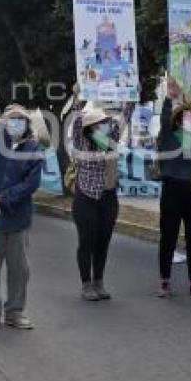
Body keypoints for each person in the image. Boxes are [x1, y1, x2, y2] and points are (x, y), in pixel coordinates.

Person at [68, 83, 133, 301]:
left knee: (103, 241)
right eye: (99, 124)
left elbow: (126, 115)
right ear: (90, 128)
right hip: (86, 197)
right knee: (87, 240)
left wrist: (132, 90)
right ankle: (86, 284)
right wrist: (77, 95)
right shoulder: (81, 140)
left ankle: (99, 282)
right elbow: (77, 119)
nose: (104, 126)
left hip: (108, 197)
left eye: (105, 123)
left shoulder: (111, 140)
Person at [0, 104, 43, 331]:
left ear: (27, 123)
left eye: (20, 119)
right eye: (11, 119)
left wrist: (4, 197)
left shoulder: (34, 149)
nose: (15, 123)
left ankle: (15, 312)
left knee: (19, 269)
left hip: (18, 219)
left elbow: (31, 184)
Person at [156, 78, 191, 298]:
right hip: (172, 190)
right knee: (168, 236)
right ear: (179, 120)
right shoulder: (168, 137)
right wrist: (170, 97)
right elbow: (164, 119)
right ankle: (165, 281)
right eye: (187, 115)